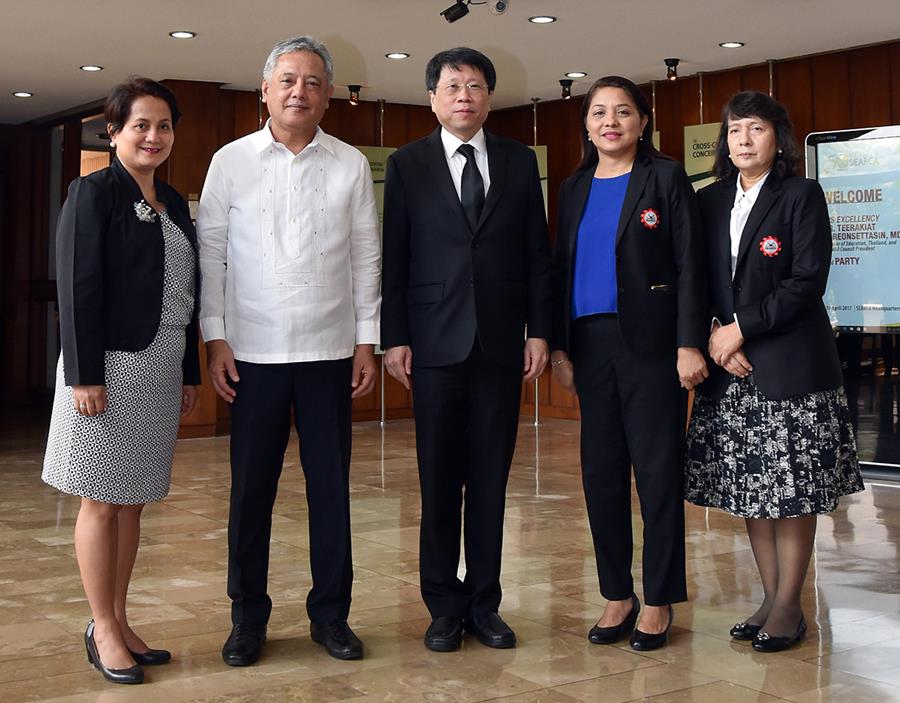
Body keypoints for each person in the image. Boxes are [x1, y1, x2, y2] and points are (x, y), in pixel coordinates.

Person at [197, 36, 380, 665]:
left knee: (331, 490)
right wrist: (215, 336)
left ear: (328, 94)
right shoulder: (230, 161)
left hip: (330, 352)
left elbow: (366, 257)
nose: (299, 92)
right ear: (266, 91)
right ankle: (247, 618)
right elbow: (212, 255)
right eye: (287, 81)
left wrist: (366, 339)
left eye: (312, 82)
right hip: (250, 354)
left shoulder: (351, 164)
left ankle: (331, 616)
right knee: (251, 492)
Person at [381, 47, 552, 652]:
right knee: (438, 478)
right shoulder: (407, 164)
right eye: (452, 86)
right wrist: (393, 335)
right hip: (431, 344)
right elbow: (395, 257)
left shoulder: (516, 160)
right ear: (433, 97)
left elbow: (537, 252)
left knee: (490, 480)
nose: (464, 96)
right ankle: (442, 605)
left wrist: (538, 329)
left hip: (502, 344)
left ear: (488, 97)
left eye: (476, 86)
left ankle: (485, 603)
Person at [684, 90, 863, 652]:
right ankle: (768, 596)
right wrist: (719, 337)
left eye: (755, 129)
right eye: (734, 130)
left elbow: (806, 281)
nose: (743, 140)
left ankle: (789, 606)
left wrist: (742, 327)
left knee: (793, 493)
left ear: (776, 138)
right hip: (730, 372)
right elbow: (698, 280)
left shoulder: (800, 196)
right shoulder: (708, 201)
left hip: (791, 370)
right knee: (753, 491)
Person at [42, 77, 200, 685]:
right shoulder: (93, 193)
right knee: (101, 501)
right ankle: (100, 625)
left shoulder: (175, 201)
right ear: (114, 134)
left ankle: (120, 617)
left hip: (158, 367)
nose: (154, 137)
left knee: (133, 501)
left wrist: (186, 369)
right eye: (141, 125)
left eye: (164, 126)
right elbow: (77, 287)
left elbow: (186, 291)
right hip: (106, 370)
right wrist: (82, 374)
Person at [549, 76, 707, 652]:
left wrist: (689, 343)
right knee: (601, 475)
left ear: (643, 122)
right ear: (587, 125)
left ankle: (659, 597)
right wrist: (561, 347)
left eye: (622, 112)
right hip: (590, 346)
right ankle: (617, 593)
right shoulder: (573, 187)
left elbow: (691, 265)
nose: (609, 122)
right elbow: (559, 271)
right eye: (597, 113)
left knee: (658, 474)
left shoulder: (664, 177)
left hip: (653, 348)